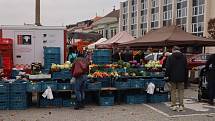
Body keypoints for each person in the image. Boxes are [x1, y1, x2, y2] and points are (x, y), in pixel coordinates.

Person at [165, 46, 188, 111]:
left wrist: (167, 76)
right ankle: (181, 105)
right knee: (181, 91)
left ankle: (174, 105)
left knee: (173, 91)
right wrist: (186, 78)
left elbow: (168, 68)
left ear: (173, 50)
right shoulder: (184, 57)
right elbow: (186, 68)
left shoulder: (170, 57)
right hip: (181, 77)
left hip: (172, 77)